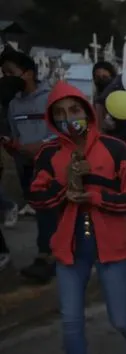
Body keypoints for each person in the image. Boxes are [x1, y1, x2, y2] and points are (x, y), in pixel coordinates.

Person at [27, 81, 126, 354]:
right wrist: (63, 189)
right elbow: (37, 197)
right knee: (70, 321)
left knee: (121, 318)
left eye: (74, 110)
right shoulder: (48, 153)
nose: (69, 118)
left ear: (86, 111)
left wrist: (96, 196)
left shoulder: (115, 149)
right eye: (60, 113)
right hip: (69, 249)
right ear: (52, 119)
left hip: (111, 246)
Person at [1, 48, 57, 284]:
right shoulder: (13, 105)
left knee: (48, 212)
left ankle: (47, 257)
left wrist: (41, 146)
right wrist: (12, 145)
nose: (6, 77)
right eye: (3, 73)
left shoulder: (50, 98)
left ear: (29, 73)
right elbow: (16, 135)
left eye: (11, 72)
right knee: (41, 212)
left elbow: (63, 132)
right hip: (25, 166)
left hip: (51, 165)